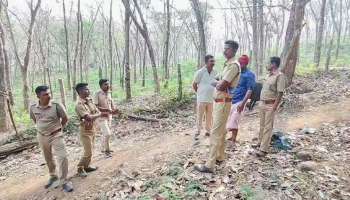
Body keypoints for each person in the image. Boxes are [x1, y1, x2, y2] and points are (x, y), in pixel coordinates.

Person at [194, 40, 241, 173]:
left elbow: (221, 85)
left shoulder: (233, 66)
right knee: (221, 130)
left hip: (223, 102)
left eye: (226, 49)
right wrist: (219, 82)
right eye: (224, 48)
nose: (224, 51)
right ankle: (220, 156)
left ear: (232, 50)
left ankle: (209, 165)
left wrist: (218, 83)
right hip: (220, 102)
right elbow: (218, 80)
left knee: (215, 132)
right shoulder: (227, 65)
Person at [29, 85, 73, 192]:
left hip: (56, 135)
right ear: (38, 96)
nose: (49, 96)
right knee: (48, 157)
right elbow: (35, 120)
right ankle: (53, 176)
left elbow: (65, 118)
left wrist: (59, 129)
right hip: (42, 135)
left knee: (62, 157)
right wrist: (42, 129)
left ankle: (64, 181)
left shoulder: (56, 105)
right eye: (45, 94)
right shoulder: (33, 107)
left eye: (49, 93)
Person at [253, 56, 287, 157]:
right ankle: (259, 143)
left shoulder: (280, 76)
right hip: (262, 103)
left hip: (270, 105)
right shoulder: (268, 76)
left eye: (268, 63)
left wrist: (275, 107)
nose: (267, 65)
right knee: (262, 125)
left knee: (268, 127)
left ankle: (263, 149)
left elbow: (280, 93)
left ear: (273, 64)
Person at [75, 83, 106, 177]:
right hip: (85, 130)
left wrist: (97, 115)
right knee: (88, 151)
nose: (88, 91)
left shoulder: (89, 100)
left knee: (91, 149)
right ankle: (80, 168)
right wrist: (98, 115)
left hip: (92, 128)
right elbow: (88, 117)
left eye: (88, 89)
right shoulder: (79, 104)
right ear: (80, 92)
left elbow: (96, 111)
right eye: (86, 90)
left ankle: (86, 166)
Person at [226, 55, 256, 147]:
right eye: (239, 63)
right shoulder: (236, 73)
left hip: (240, 100)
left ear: (246, 64)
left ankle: (233, 140)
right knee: (232, 120)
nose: (240, 65)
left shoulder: (250, 75)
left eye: (241, 64)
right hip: (231, 99)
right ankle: (232, 137)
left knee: (234, 120)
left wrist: (243, 103)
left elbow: (249, 90)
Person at [192, 55, 217, 138]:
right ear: (206, 62)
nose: (213, 63)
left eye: (213, 61)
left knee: (209, 115)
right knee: (200, 115)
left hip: (211, 98)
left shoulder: (215, 72)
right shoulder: (200, 72)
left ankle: (208, 131)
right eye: (211, 61)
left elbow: (217, 83)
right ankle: (198, 130)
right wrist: (199, 93)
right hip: (202, 98)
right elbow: (194, 84)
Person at [94, 79, 118, 157]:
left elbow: (111, 103)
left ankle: (105, 148)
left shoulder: (109, 93)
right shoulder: (97, 94)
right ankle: (106, 152)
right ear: (100, 86)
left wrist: (114, 110)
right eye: (105, 84)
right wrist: (107, 110)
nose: (107, 86)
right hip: (101, 117)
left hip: (109, 116)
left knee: (105, 134)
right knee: (107, 134)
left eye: (108, 84)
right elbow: (95, 107)